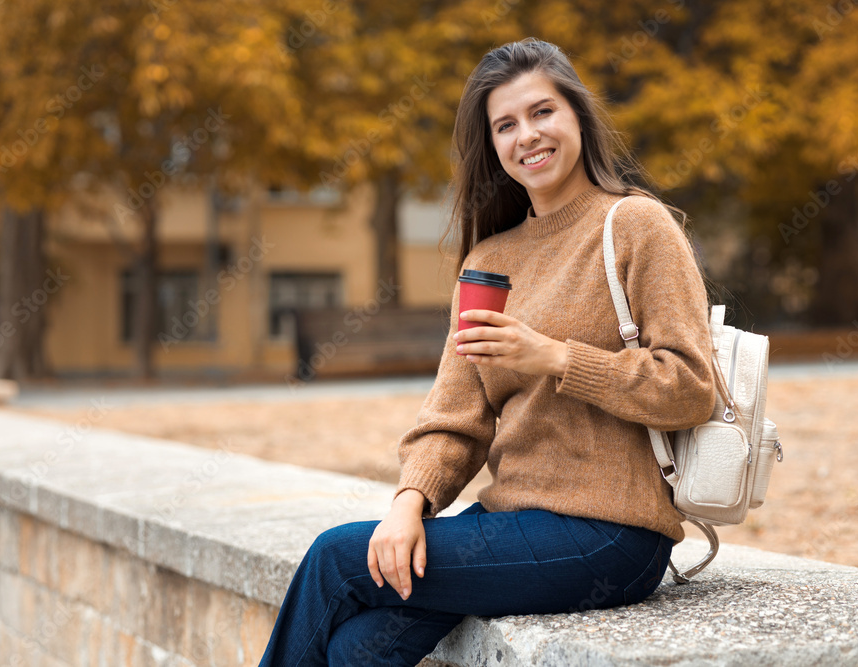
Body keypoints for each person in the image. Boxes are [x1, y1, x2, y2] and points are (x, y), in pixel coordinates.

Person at [258, 37, 716, 667]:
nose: (527, 135)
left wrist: (556, 358)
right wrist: (408, 504)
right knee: (356, 650)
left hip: (614, 537)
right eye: (506, 125)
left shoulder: (637, 226)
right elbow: (454, 416)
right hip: (509, 526)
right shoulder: (488, 262)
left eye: (542, 112)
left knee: (335, 559)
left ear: (577, 115)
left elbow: (691, 387)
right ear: (494, 146)